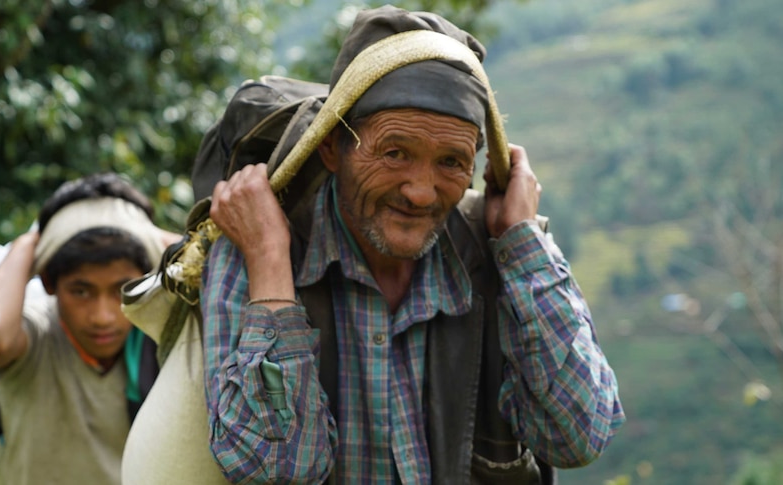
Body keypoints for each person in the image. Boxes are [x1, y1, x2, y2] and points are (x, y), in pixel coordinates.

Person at [203, 5, 625, 484]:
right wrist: (272, 268)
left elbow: (578, 437)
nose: (421, 191)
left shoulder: (500, 252)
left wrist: (522, 241)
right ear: (330, 148)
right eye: (395, 153)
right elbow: (277, 470)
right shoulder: (257, 249)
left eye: (451, 162)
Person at [0, 172, 176, 485]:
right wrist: (29, 243)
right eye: (81, 291)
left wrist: (151, 237)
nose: (102, 317)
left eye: (122, 288)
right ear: (48, 281)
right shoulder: (36, 335)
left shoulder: (161, 332)